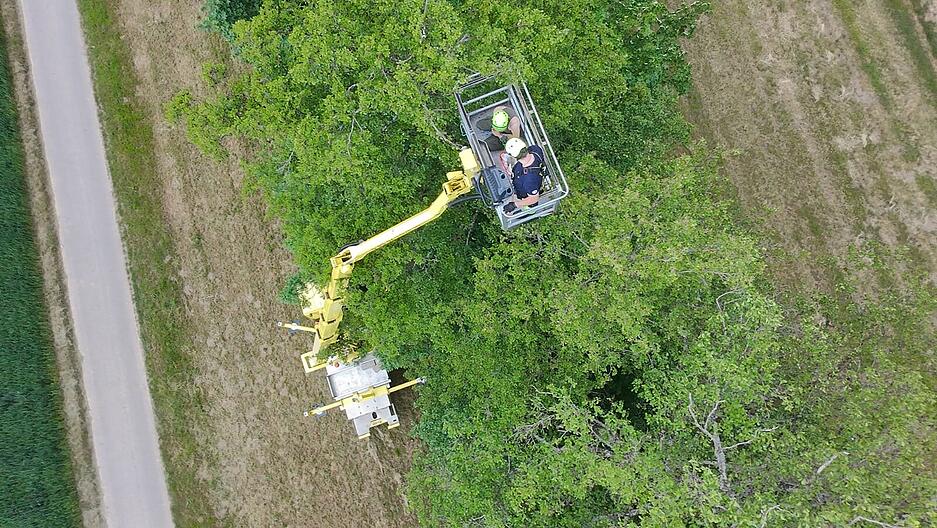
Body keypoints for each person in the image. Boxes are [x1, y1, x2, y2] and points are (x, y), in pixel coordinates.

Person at [499, 138, 545, 217]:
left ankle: (529, 215)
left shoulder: (530, 180)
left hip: (525, 198)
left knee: (528, 211)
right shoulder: (535, 150)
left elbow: (534, 199)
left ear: (514, 156)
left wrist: (515, 205)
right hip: (522, 180)